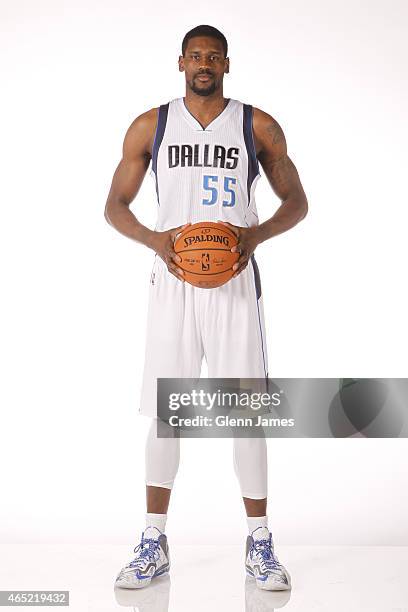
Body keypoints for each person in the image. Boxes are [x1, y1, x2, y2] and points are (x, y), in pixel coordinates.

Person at [105, 24, 308, 591]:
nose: (203, 64)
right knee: (168, 413)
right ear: (180, 62)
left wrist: (256, 235)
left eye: (213, 56)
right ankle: (153, 540)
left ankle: (260, 541)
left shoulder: (255, 125)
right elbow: (114, 205)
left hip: (236, 280)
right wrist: (154, 240)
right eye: (195, 55)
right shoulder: (152, 124)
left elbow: (297, 201)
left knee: (244, 414)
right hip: (173, 279)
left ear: (226, 63)